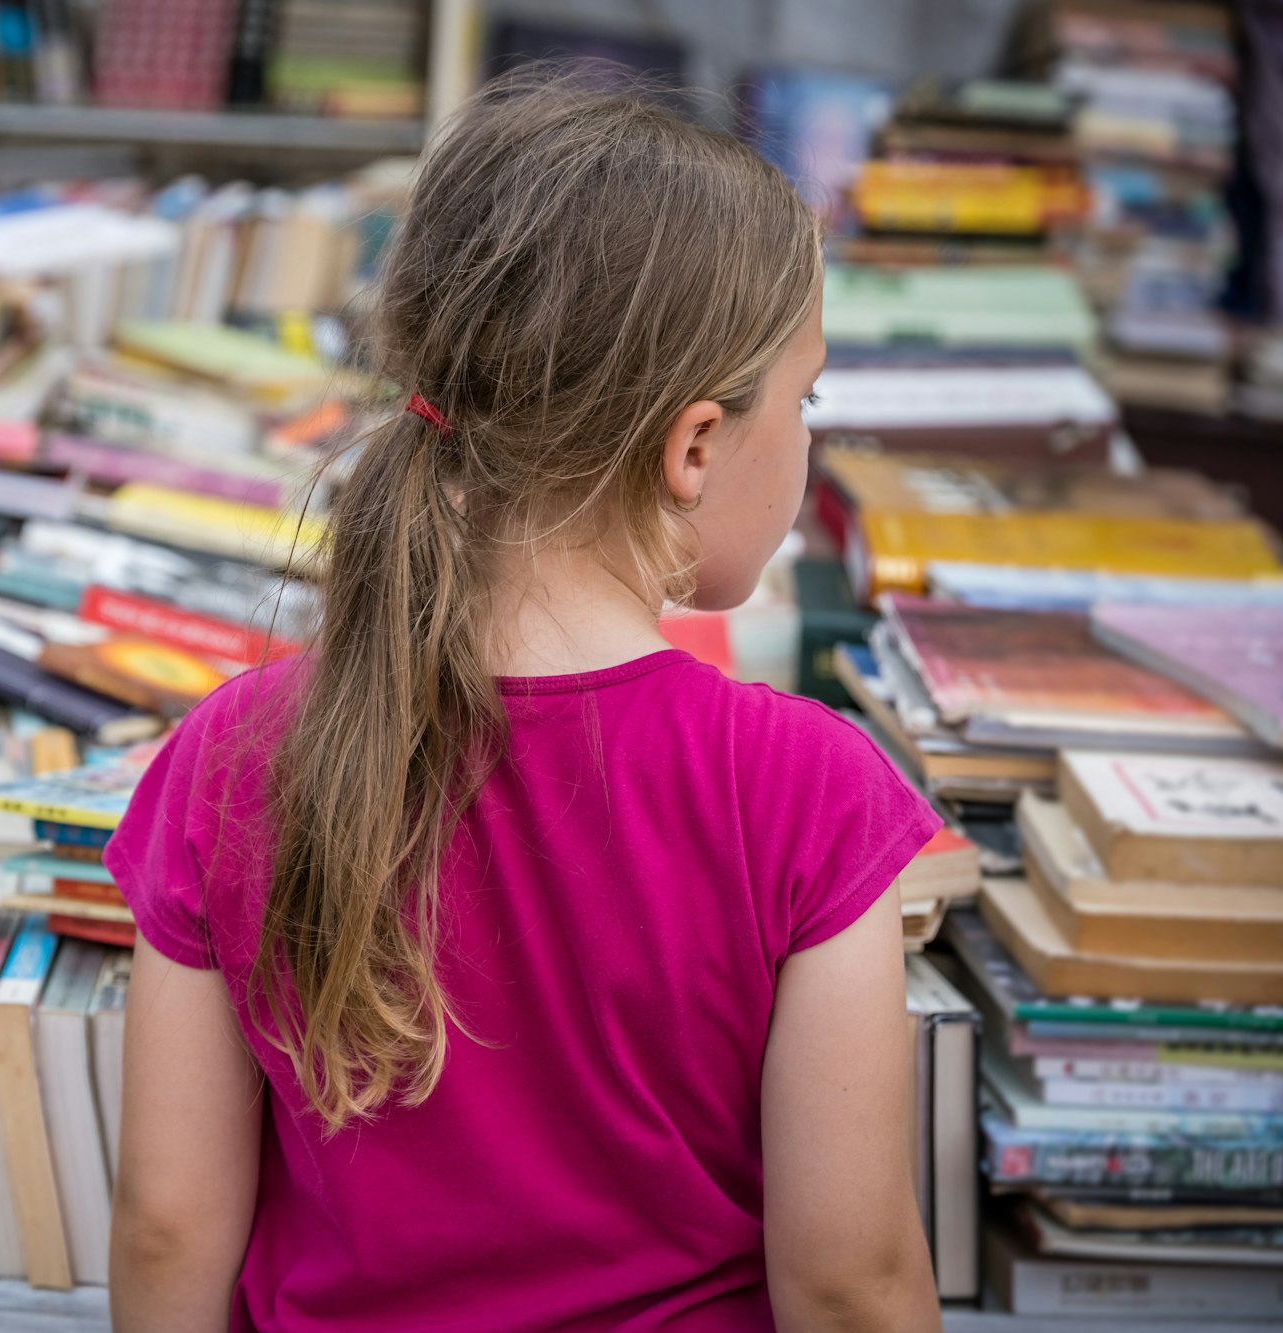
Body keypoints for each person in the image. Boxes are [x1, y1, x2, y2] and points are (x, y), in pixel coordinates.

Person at [105, 71, 944, 1333]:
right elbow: (847, 1279)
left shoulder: (230, 752)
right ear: (694, 446)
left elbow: (171, 1227)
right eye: (805, 399)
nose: (809, 433)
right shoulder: (802, 785)